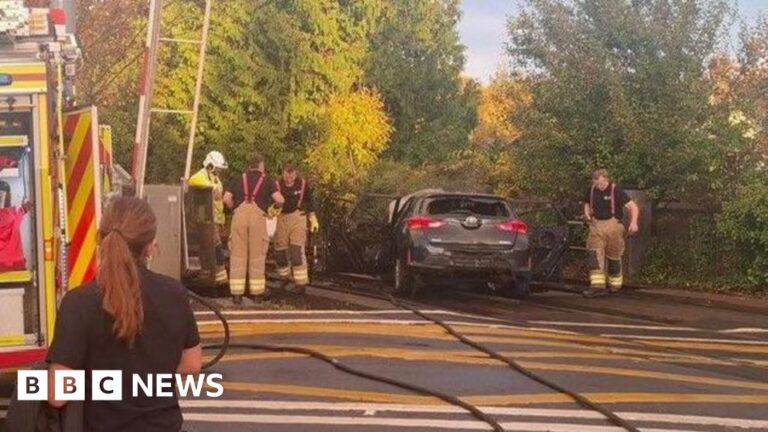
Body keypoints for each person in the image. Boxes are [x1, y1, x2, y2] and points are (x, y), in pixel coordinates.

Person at [46, 196, 202, 432]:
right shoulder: (175, 293)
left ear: (100, 240)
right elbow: (191, 364)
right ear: (150, 246)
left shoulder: (78, 302)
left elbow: (58, 394)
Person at [223, 154, 284, 304]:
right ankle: (257, 294)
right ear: (261, 166)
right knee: (257, 256)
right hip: (258, 218)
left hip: (239, 216)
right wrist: (274, 209)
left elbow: (226, 198)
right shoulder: (268, 181)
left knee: (238, 256)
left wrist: (234, 208)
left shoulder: (238, 179)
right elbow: (280, 199)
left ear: (249, 166)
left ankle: (237, 295)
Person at [582, 169, 639, 298]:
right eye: (597, 184)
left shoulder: (616, 191)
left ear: (607, 180)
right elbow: (586, 203)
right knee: (594, 255)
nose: (600, 186)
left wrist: (634, 223)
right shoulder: (591, 190)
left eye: (602, 183)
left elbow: (633, 207)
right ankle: (597, 287)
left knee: (614, 256)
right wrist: (586, 214)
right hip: (596, 226)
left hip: (613, 226)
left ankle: (615, 285)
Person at [274, 165, 319, 294]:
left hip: (298, 218)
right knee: (280, 252)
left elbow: (310, 202)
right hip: (281, 219)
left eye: (291, 176)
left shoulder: (303, 184)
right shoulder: (276, 185)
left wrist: (313, 218)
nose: (289, 180)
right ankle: (284, 278)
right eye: (286, 176)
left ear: (295, 174)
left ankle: (301, 284)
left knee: (296, 252)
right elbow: (269, 201)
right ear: (282, 174)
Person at [188, 151, 229, 285]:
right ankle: (218, 274)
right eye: (217, 168)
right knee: (214, 246)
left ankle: (208, 274)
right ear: (210, 165)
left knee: (206, 246)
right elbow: (193, 180)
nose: (219, 171)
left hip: (213, 219)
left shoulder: (214, 178)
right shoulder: (202, 175)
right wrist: (213, 188)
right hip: (206, 220)